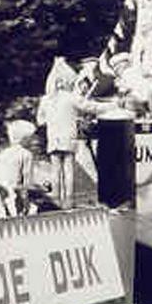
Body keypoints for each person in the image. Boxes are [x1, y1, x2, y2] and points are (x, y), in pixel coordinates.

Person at [36, 75, 106, 210]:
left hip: (53, 137)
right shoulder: (71, 97)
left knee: (56, 169)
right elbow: (91, 107)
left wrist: (52, 120)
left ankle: (56, 198)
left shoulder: (46, 99)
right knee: (68, 168)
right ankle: (69, 199)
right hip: (68, 137)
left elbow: (40, 121)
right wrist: (113, 106)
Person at [0, 120, 38, 217]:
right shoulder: (26, 154)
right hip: (17, 195)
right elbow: (27, 180)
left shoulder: (1, 155)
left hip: (3, 195)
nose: (33, 141)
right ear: (24, 139)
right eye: (31, 138)